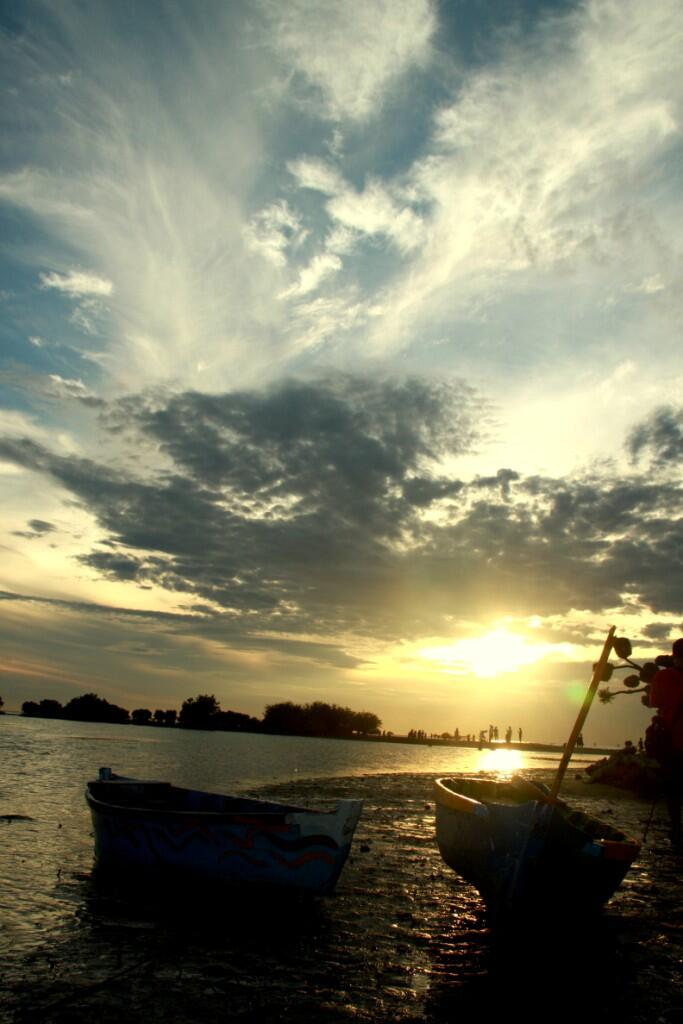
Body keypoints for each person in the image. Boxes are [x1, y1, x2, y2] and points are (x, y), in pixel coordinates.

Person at [648, 637, 683, 847]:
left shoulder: (664, 676)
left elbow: (654, 702)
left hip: (672, 741)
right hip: (674, 740)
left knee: (673, 789)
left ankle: (676, 830)